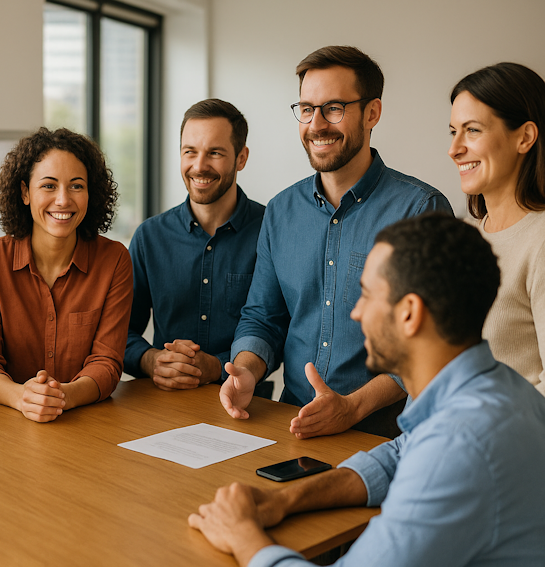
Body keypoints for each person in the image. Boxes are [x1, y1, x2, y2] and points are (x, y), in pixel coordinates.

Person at [190, 214, 545, 566]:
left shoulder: (459, 445)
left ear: (409, 314)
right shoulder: (500, 388)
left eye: (367, 295)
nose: (357, 313)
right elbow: (397, 456)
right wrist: (282, 501)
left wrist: (244, 535)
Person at [222, 45, 452, 438]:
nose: (317, 124)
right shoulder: (280, 211)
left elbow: (433, 343)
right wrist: (246, 369)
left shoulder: (420, 209)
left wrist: (351, 407)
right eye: (307, 109)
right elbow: (263, 316)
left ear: (372, 113)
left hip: (388, 437)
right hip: (292, 423)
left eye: (334, 108)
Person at [0, 127, 133, 422]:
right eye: (48, 186)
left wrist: (62, 397)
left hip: (87, 425)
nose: (62, 200)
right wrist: (23, 398)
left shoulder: (115, 260)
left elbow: (107, 363)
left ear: (90, 193)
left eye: (76, 186)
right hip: (5, 426)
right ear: (24, 192)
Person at [124, 99, 269, 396]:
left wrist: (218, 367)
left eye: (214, 153)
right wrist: (152, 360)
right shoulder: (149, 236)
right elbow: (118, 333)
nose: (199, 166)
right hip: (160, 403)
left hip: (247, 405)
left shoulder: (271, 232)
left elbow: (277, 331)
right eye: (189, 152)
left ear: (241, 158)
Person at [448, 62, 545, 395]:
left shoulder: (541, 242)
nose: (454, 148)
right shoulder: (468, 235)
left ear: (525, 137)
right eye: (453, 131)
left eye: (472, 130)